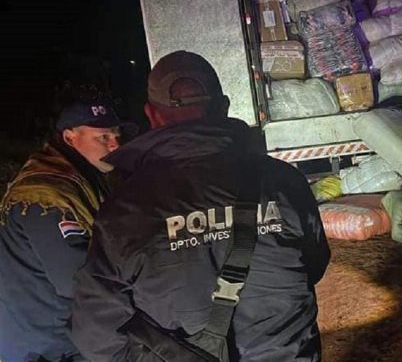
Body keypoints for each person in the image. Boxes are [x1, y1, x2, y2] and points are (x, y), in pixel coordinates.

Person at [71, 51, 330, 361]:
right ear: (223, 107)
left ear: (152, 115)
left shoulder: (125, 210)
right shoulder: (284, 181)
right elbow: (314, 264)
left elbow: (97, 334)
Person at [0, 100, 134, 362]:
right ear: (70, 138)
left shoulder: (80, 180)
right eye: (103, 137)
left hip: (52, 335)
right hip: (44, 346)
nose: (115, 144)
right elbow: (78, 280)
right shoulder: (47, 198)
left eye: (116, 135)